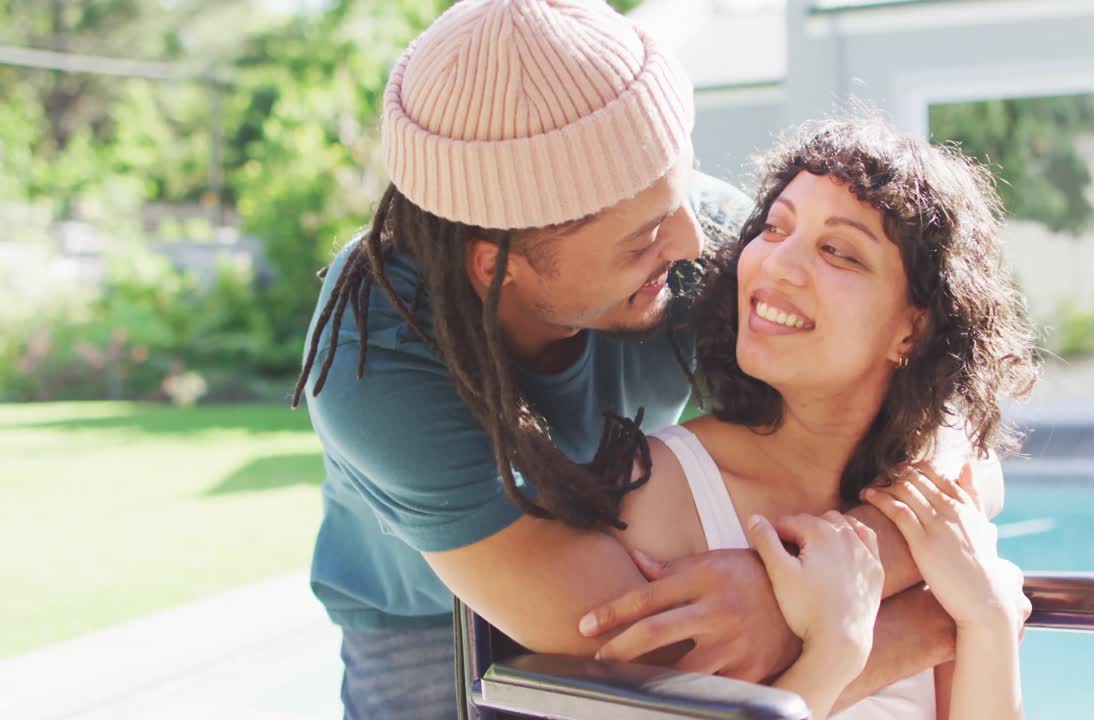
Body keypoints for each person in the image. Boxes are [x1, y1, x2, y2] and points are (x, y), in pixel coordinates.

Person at [293, 2, 1015, 717]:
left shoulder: (675, 232)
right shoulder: (372, 361)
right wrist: (917, 629)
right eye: (641, 238)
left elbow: (949, 424)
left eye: (681, 192)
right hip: (420, 619)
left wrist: (792, 591)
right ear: (498, 265)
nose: (696, 245)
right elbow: (635, 643)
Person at [607, 117, 1038, 719]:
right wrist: (834, 653)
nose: (777, 265)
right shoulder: (664, 492)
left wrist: (989, 620)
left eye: (837, 250)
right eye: (774, 227)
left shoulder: (930, 512)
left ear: (912, 329)